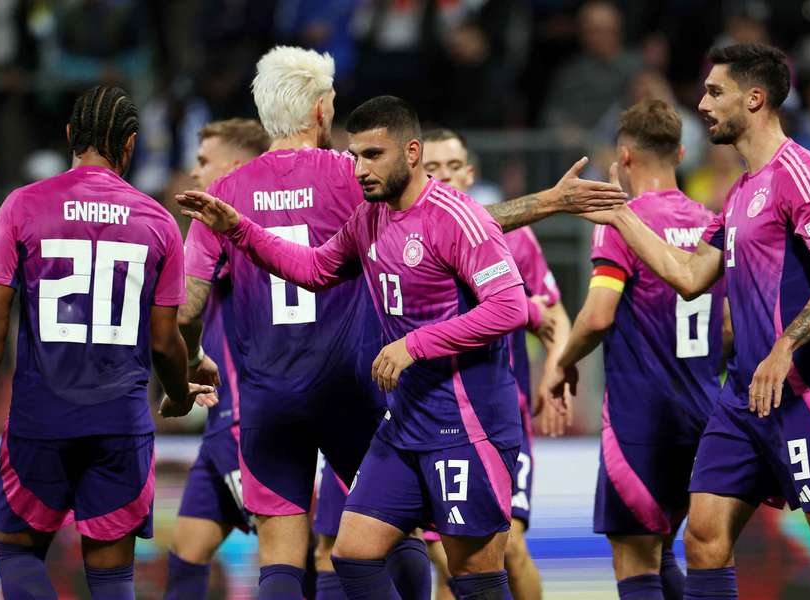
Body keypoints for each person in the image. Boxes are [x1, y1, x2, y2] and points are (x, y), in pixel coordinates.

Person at [178, 45, 625, 599]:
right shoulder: (359, 193)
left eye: (370, 154)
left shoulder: (229, 193)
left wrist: (191, 360)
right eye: (352, 144)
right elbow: (353, 253)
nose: (360, 163)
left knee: (315, 561)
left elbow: (190, 306)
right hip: (374, 397)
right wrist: (545, 202)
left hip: (332, 403)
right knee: (377, 547)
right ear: (321, 111)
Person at [572, 44, 810, 596]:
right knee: (703, 535)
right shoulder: (740, 192)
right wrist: (620, 215)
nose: (702, 104)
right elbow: (687, 273)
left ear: (754, 99)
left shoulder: (802, 173)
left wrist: (785, 347)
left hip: (805, 392)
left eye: (714, 91)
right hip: (744, 398)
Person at [0, 85, 212, 600]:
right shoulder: (159, 221)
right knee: (111, 580)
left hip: (39, 420)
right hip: (119, 425)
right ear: (131, 145)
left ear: (72, 135)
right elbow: (165, 342)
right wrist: (179, 396)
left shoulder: (23, 205)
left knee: (18, 554)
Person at [549, 99, 726, 600]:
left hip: (640, 419)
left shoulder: (621, 220)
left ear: (623, 157)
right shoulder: (710, 223)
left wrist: (561, 364)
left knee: (635, 559)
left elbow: (599, 314)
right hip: (703, 413)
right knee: (672, 547)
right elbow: (728, 325)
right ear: (683, 152)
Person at [421, 127, 571, 600]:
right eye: (431, 169)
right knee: (450, 556)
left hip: (501, 417)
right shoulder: (410, 236)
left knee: (510, 548)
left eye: (452, 167)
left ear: (469, 172)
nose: (443, 177)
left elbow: (555, 316)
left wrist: (553, 371)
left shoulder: (514, 237)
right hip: (431, 417)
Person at [164, 119, 271, 599]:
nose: (194, 171)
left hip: (243, 418)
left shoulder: (232, 228)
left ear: (235, 167)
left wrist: (188, 364)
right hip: (219, 421)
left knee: (291, 553)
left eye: (204, 161)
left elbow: (185, 313)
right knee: (186, 555)